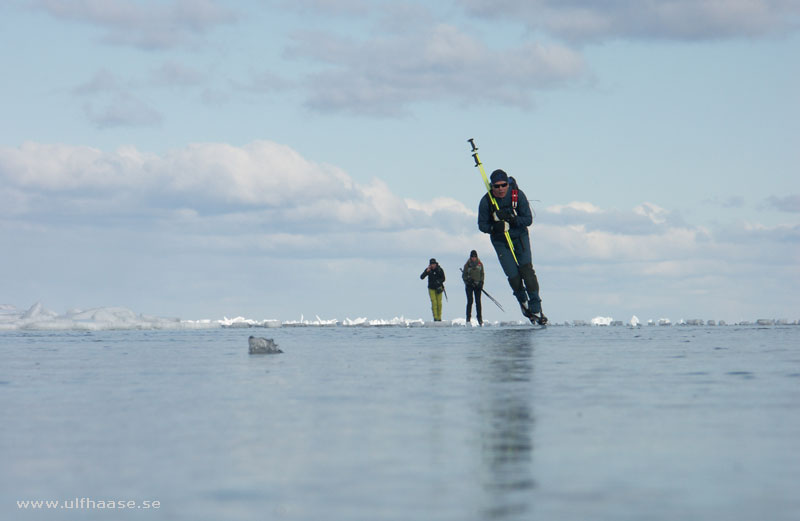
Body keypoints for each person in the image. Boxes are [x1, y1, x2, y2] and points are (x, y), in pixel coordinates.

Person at [478, 169, 548, 324]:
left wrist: (512, 219)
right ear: (492, 187)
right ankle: (523, 302)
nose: (500, 189)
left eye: (503, 185)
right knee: (513, 275)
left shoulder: (518, 195)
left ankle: (536, 307)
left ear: (508, 184)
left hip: (520, 237)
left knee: (527, 271)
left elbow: (528, 219)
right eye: (496, 186)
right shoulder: (487, 201)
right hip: (500, 241)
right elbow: (482, 225)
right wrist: (494, 227)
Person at [462, 250, 484, 325]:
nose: (473, 258)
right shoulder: (467, 265)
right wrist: (468, 282)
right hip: (469, 286)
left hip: (478, 286)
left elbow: (482, 274)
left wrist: (481, 283)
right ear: (470, 257)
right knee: (470, 301)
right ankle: (468, 319)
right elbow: (464, 276)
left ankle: (480, 319)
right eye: (472, 257)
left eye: (475, 257)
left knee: (478, 302)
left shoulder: (480, 264)